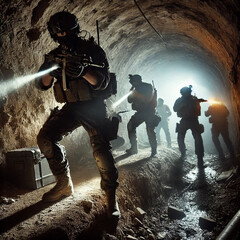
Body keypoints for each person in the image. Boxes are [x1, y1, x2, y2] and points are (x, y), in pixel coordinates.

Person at [35, 11, 120, 219]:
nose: (63, 35)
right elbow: (41, 85)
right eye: (59, 33)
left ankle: (111, 197)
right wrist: (50, 72)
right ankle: (63, 185)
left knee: (101, 151)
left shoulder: (92, 50)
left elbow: (102, 82)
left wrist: (83, 71)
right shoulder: (54, 55)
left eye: (67, 31)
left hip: (94, 106)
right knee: (45, 139)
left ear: (74, 29)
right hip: (71, 107)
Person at [126, 74, 160, 157]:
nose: (132, 83)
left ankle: (154, 151)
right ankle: (134, 148)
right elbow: (129, 100)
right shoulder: (135, 89)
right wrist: (132, 89)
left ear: (138, 81)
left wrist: (135, 91)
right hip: (141, 112)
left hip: (149, 111)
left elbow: (147, 99)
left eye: (133, 81)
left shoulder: (147, 86)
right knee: (130, 125)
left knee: (150, 130)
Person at [173, 86, 206, 168]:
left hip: (194, 120)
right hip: (185, 120)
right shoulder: (180, 100)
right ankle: (183, 153)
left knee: (198, 138)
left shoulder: (194, 99)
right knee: (181, 137)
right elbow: (175, 109)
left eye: (188, 92)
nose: (188, 94)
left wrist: (199, 100)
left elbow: (198, 102)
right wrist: (183, 104)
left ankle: (200, 157)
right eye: (186, 92)